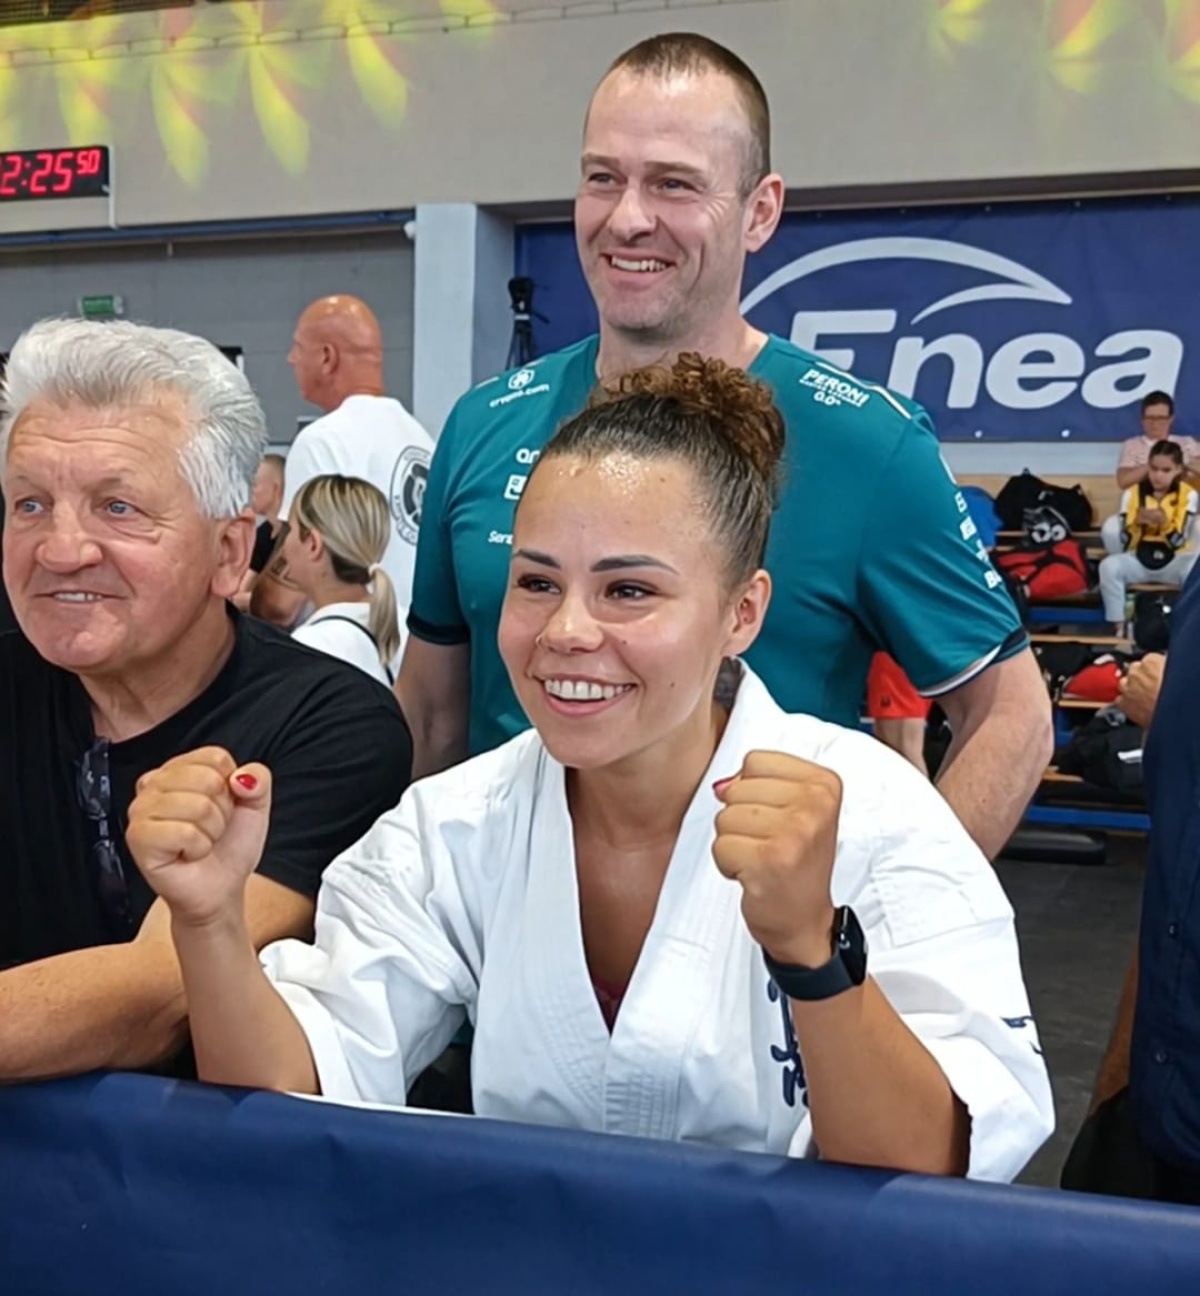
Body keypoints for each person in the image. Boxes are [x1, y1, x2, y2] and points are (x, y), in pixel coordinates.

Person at [129, 356, 1053, 1182]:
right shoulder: (455, 827)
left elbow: (936, 1165)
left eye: (629, 589)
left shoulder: (875, 815)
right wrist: (209, 921)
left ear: (742, 613)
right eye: (537, 582)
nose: (567, 630)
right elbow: (290, 1092)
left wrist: (815, 952)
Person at [399, 31, 1051, 861]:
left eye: (674, 184)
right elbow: (432, 713)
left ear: (760, 211)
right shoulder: (485, 423)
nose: (628, 218)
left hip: (751, 927)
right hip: (501, 927)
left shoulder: (866, 445)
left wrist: (889, 922)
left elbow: (1011, 715)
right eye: (603, 178)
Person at [0, 317, 413, 1081]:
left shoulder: (330, 724)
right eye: (29, 504)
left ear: (229, 552)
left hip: (203, 1151)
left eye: (117, 507)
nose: (60, 549)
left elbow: (160, 994)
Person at [251, 295, 434, 642]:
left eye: (297, 347)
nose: (290, 359)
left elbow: (280, 605)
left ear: (326, 357)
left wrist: (239, 607)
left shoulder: (323, 441)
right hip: (406, 650)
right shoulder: (423, 440)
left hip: (340, 647)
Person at [284, 473, 401, 688]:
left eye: (289, 530)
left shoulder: (311, 647)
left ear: (313, 545)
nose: (284, 543)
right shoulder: (406, 624)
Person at [1098, 440, 1197, 635]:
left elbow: (1180, 541)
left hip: (1174, 560)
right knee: (1108, 566)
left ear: (1178, 469)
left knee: (1195, 569)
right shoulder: (1132, 494)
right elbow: (1124, 542)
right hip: (1139, 557)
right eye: (1154, 469)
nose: (1158, 476)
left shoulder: (1189, 495)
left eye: (1166, 470)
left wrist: (1164, 524)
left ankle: (1188, 628)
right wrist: (1137, 524)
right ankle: (1120, 627)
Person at [1103, 392, 1200, 554]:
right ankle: (1129, 560)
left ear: (1171, 419)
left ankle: (1186, 567)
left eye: (1161, 418)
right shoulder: (1132, 445)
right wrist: (1156, 463)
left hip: (1180, 511)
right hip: (1142, 510)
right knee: (1111, 527)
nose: (1155, 424)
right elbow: (1123, 481)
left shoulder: (1186, 443)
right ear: (1142, 419)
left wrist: (1184, 460)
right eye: (1150, 418)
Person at [233, 453, 285, 611]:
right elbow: (242, 588)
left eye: (254, 485)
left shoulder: (293, 539)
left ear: (276, 489)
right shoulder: (263, 533)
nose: (249, 493)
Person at [866, 652, 930, 777]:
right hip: (898, 656)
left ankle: (918, 791)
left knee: (901, 749)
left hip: (897, 657)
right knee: (888, 750)